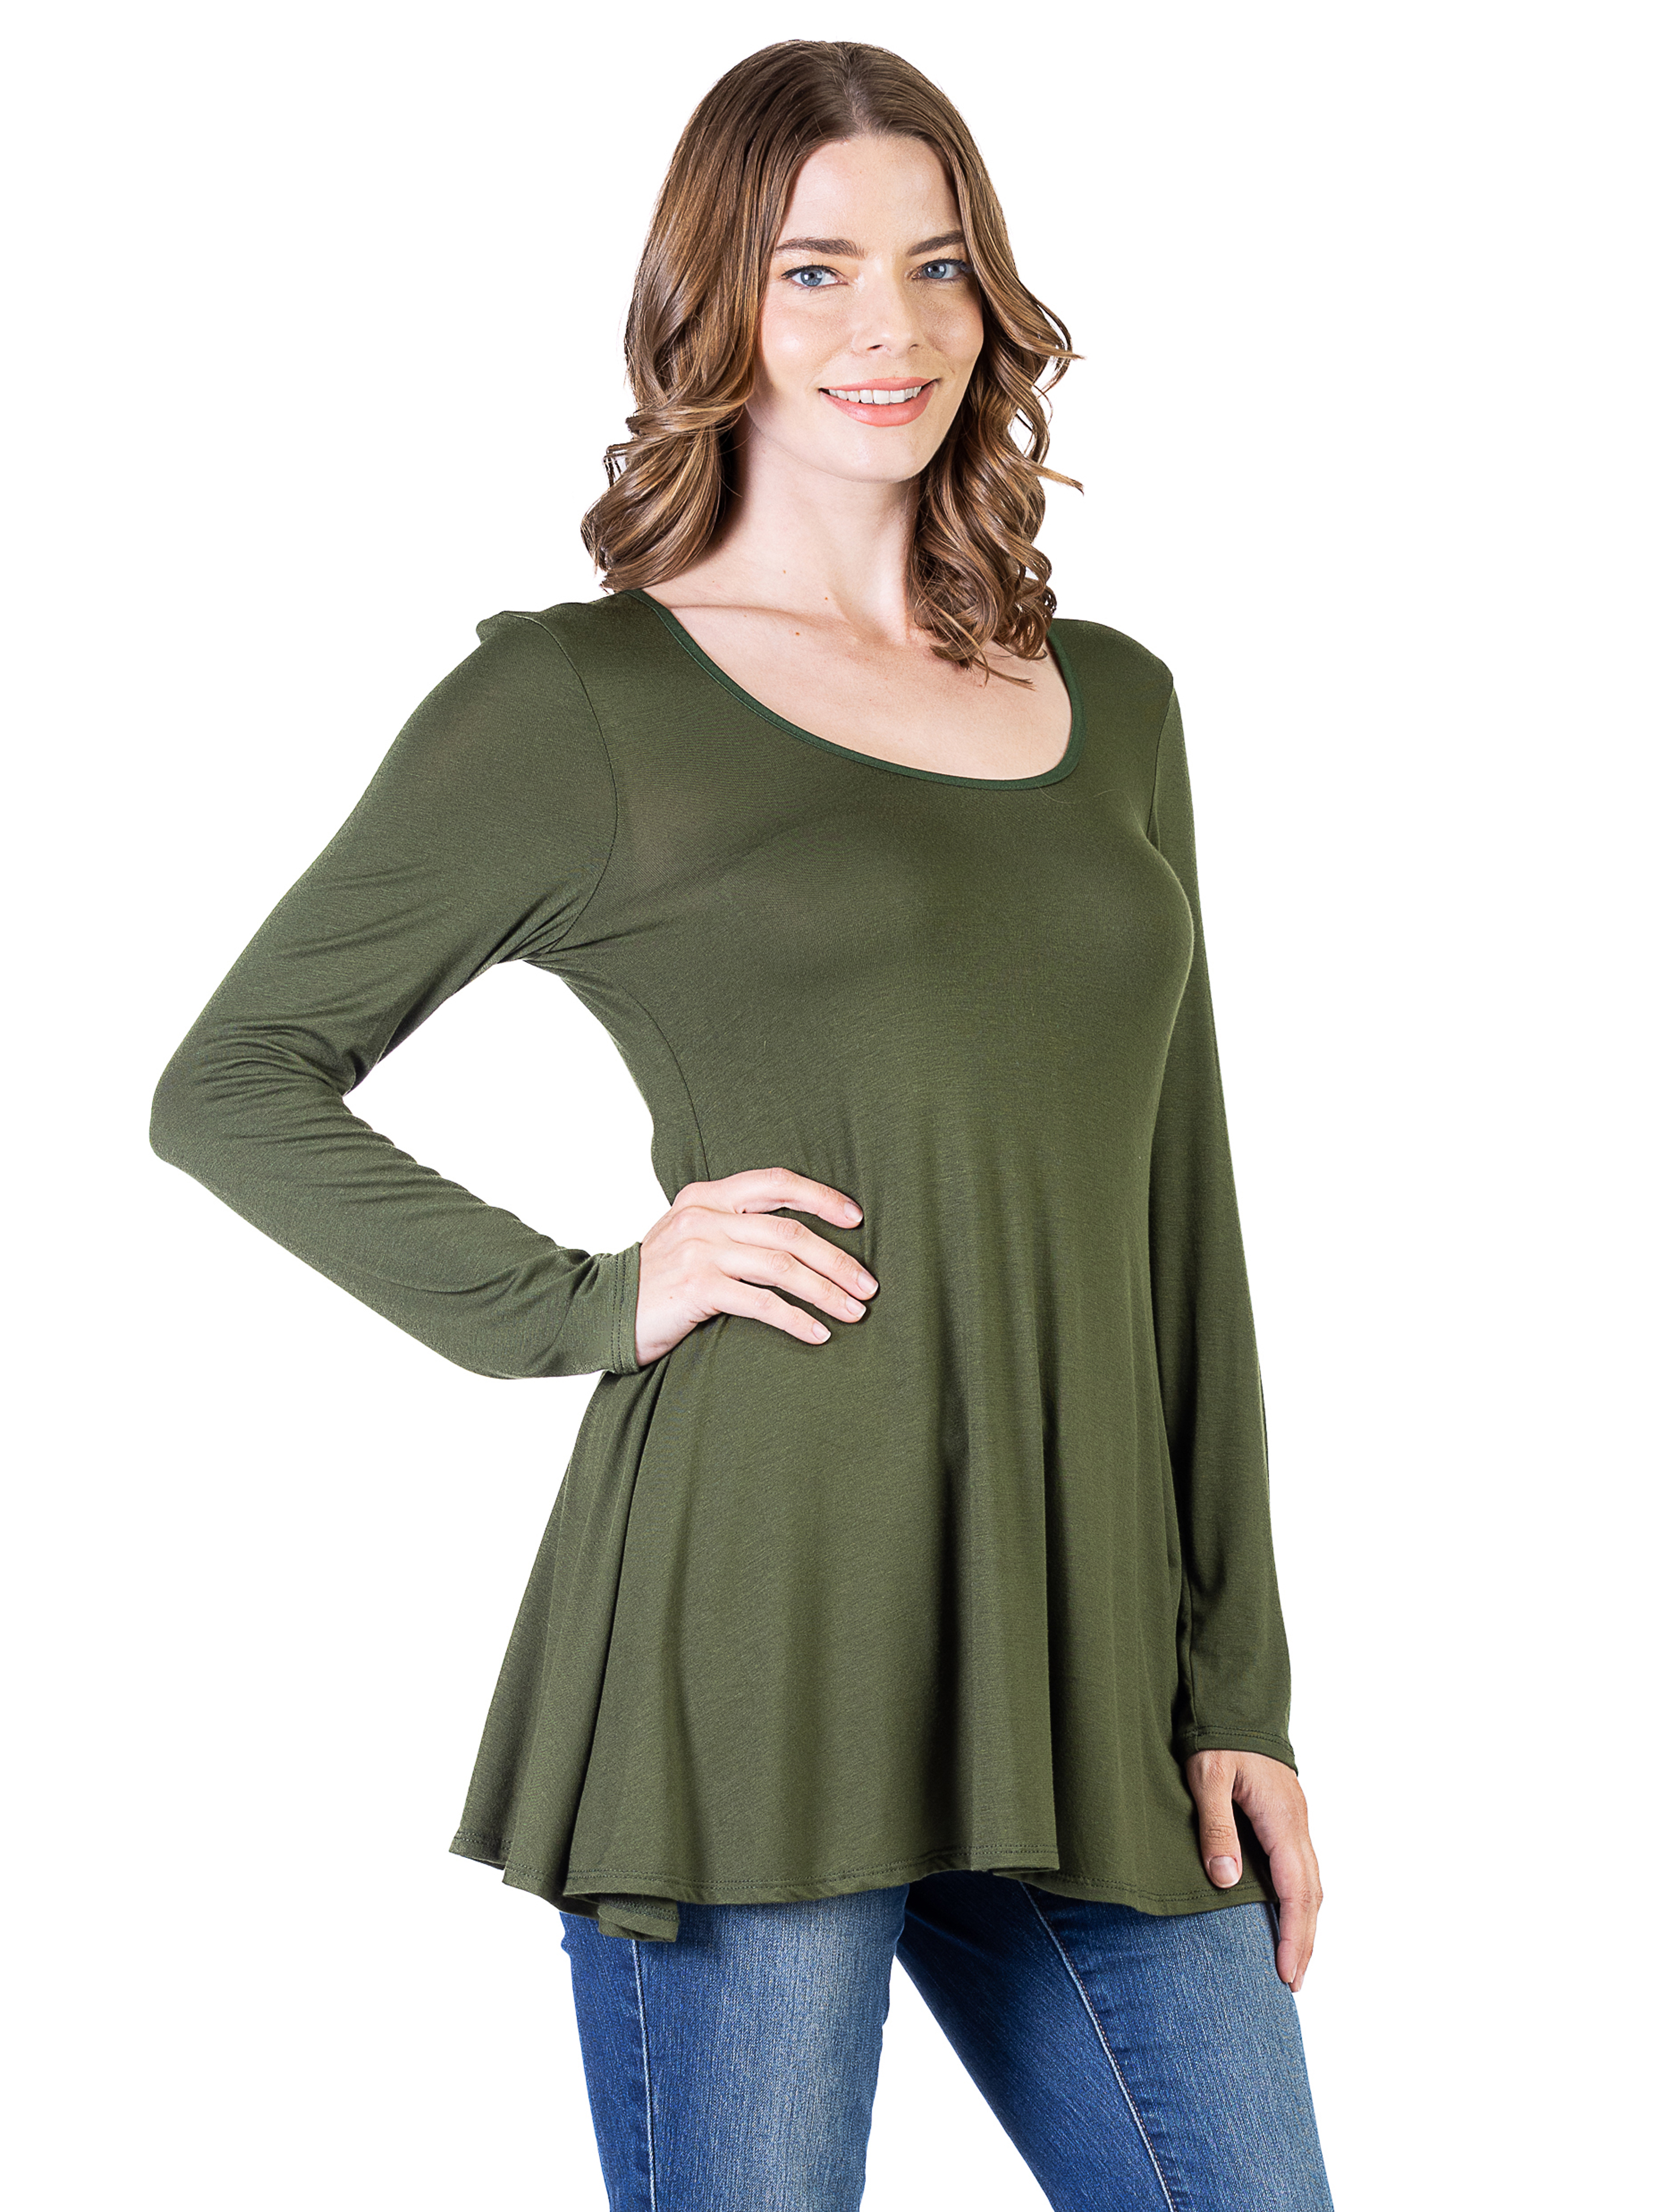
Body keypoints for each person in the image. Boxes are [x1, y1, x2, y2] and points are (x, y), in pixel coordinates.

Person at [150, 36, 1333, 2212]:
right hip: (758, 1635)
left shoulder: (1117, 703)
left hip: (1090, 1654)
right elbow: (233, 1081)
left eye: (937, 264)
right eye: (814, 270)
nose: (889, 327)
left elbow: (1185, 1209)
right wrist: (585, 1298)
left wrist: (1235, 1676)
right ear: (717, 301)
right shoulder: (581, 702)